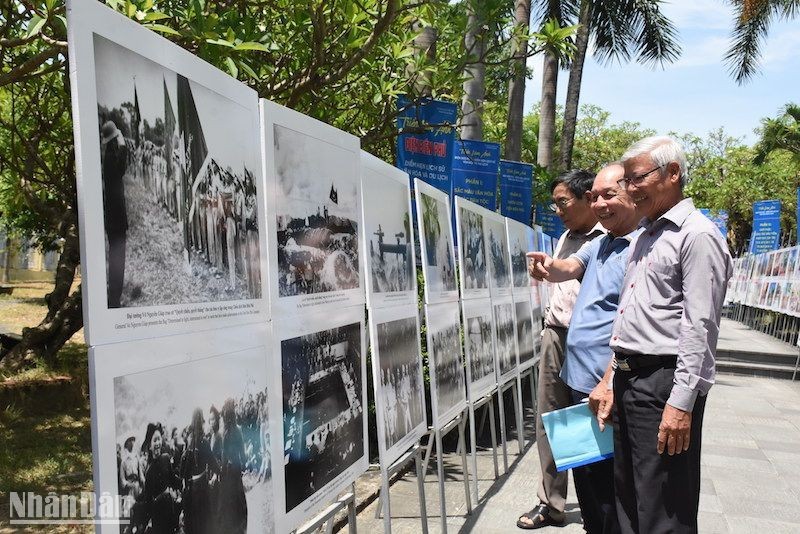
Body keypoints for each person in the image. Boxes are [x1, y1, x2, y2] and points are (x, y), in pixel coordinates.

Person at [604, 136, 732, 533]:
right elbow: (631, 316)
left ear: (672, 173)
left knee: (663, 507)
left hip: (663, 382)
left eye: (636, 178)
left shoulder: (697, 235)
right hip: (630, 378)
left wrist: (681, 403)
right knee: (629, 498)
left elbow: (700, 326)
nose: (629, 189)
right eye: (625, 181)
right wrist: (612, 376)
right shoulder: (645, 234)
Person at [527, 163, 640, 534]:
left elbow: (630, 321)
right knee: (582, 458)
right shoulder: (599, 243)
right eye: (597, 197)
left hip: (602, 372)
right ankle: (558, 506)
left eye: (608, 195)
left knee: (606, 468)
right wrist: (547, 266)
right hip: (574, 362)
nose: (600, 203)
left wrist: (609, 376)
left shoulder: (637, 247)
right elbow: (567, 267)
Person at [517, 169, 604, 530]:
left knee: (591, 421)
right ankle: (550, 503)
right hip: (556, 335)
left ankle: (596, 506)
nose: (558, 210)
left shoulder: (611, 238)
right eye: (554, 203)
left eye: (564, 202)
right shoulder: (566, 235)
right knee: (550, 421)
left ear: (588, 199)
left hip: (592, 343)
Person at [100, 120, 129, 308]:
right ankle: (114, 299)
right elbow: (123, 167)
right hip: (116, 217)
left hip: (113, 217)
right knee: (118, 259)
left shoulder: (108, 157)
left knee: (115, 257)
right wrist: (123, 144)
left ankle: (114, 296)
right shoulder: (110, 159)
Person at [218, 398, 248, 533]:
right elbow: (242, 453)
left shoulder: (225, 432)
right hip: (235, 470)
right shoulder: (237, 430)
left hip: (228, 471)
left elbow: (224, 455)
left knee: (232, 500)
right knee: (239, 499)